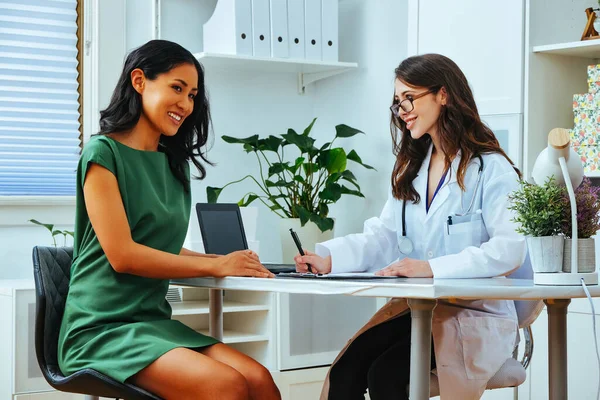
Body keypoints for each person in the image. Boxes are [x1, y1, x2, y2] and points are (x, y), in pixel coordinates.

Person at [294, 54, 528, 400]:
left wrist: (430, 268)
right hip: (419, 310)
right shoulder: (413, 170)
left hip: (474, 315)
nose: (402, 110)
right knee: (347, 369)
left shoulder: (491, 169)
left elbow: (508, 249)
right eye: (397, 103)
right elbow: (384, 236)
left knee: (386, 373)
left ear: (443, 95)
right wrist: (329, 258)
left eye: (409, 98)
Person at [57, 40, 281, 400]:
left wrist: (226, 262)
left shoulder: (173, 165)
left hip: (152, 322)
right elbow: (124, 255)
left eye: (192, 94)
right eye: (177, 88)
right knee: (226, 385)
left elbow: (160, 246)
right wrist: (217, 266)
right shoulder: (102, 154)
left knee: (259, 379)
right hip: (101, 329)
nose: (186, 104)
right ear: (140, 80)